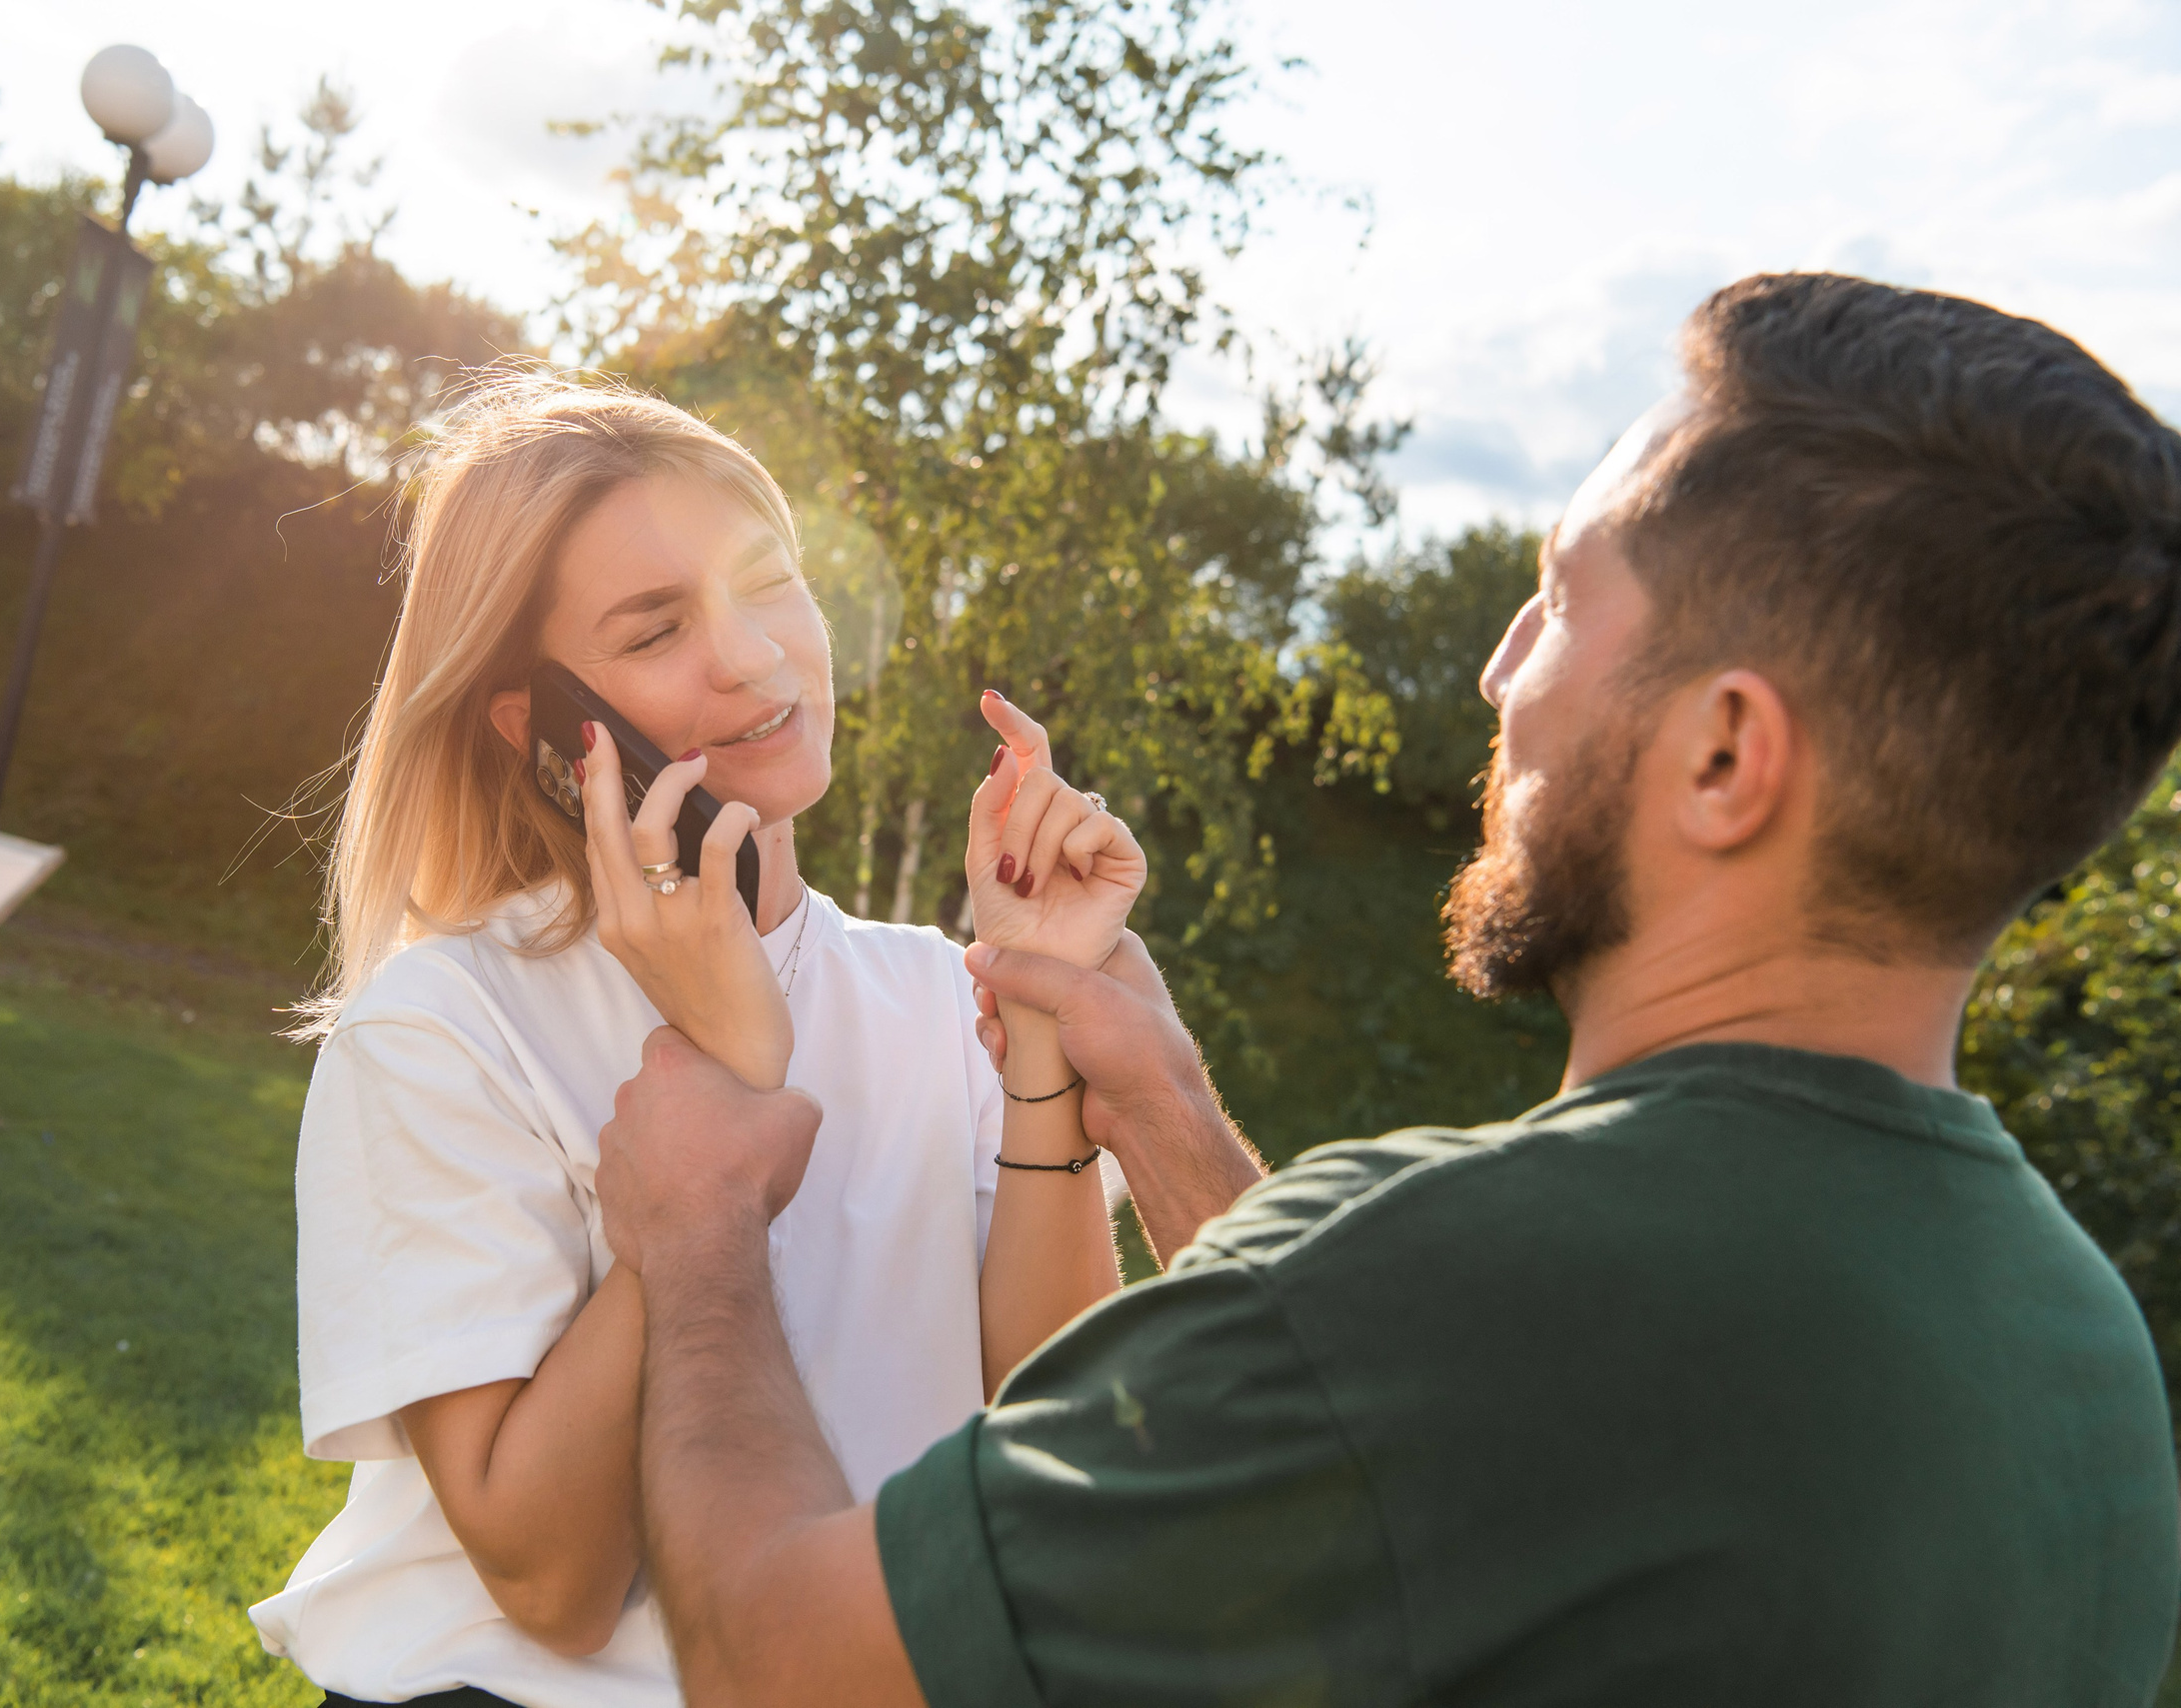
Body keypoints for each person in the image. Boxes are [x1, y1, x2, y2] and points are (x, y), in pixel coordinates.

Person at [591, 273, 2181, 1707]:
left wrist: (701, 1224)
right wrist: (1166, 1113)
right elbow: (1438, 1449)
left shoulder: (1459, 1286)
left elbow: (776, 1654)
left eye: (1559, 597)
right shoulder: (2083, 1354)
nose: (1498, 671)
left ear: (1724, 758)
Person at [248, 370, 1145, 1706]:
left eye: (767, 577)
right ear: (541, 725)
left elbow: (1048, 1432)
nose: (752, 653)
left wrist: (1040, 1027)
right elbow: (552, 1586)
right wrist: (728, 1066)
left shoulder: (934, 996)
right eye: (657, 627)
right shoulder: (441, 1027)